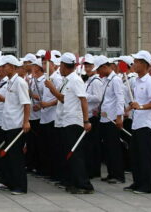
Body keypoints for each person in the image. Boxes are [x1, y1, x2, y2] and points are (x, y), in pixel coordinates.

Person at [46, 52, 94, 194]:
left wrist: (86, 121)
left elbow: (83, 100)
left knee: (76, 154)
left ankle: (84, 185)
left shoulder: (75, 80)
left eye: (60, 65)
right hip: (65, 120)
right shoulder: (66, 80)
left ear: (64, 66)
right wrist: (53, 89)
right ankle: (73, 181)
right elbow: (63, 98)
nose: (58, 68)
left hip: (74, 121)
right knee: (69, 154)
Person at [125, 51, 151, 194]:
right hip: (137, 122)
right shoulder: (137, 81)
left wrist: (140, 107)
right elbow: (137, 102)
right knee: (135, 154)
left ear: (144, 64)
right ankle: (137, 182)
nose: (134, 64)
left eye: (137, 62)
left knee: (145, 156)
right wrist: (130, 108)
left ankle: (147, 186)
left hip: (146, 124)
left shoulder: (150, 82)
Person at [0, 55, 31, 195]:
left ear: (11, 66)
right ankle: (11, 183)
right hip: (7, 123)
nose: (2, 69)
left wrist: (26, 121)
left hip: (16, 124)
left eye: (4, 66)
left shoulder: (20, 82)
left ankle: (21, 186)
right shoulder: (10, 81)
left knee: (16, 158)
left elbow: (26, 104)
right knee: (9, 157)